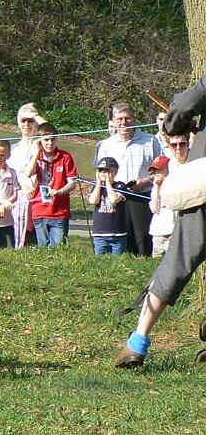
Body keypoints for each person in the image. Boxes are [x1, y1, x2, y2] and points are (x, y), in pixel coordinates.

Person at [114, 74, 206, 368]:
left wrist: (173, 125)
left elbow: (184, 103)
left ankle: (136, 344)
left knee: (176, 261)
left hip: (203, 187)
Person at [94, 103, 161, 256]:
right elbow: (99, 173)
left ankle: (144, 267)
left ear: (135, 119)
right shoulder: (105, 145)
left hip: (142, 195)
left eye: (128, 118)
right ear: (114, 121)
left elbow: (160, 171)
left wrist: (146, 181)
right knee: (121, 239)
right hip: (115, 198)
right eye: (120, 119)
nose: (124, 123)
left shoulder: (150, 141)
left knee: (143, 238)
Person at [25, 122, 78, 247]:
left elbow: (72, 183)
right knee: (43, 248)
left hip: (59, 211)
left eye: (53, 139)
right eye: (46, 140)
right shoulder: (37, 157)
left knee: (58, 248)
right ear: (39, 141)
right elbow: (28, 173)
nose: (50, 143)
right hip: (40, 209)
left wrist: (59, 191)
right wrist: (37, 152)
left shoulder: (65, 157)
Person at [7, 103, 46, 248]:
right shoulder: (13, 149)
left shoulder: (44, 145)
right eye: (23, 120)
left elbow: (51, 132)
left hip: (40, 198)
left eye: (31, 121)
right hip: (20, 198)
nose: (27, 124)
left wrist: (34, 115)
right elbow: (11, 174)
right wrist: (23, 185)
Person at [88, 157, 128, 256]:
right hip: (100, 234)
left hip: (117, 235)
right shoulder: (96, 187)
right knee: (99, 263)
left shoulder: (120, 186)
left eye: (106, 171)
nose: (102, 173)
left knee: (118, 265)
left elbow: (114, 200)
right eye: (100, 170)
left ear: (114, 172)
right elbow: (93, 201)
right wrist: (98, 184)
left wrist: (108, 184)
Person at [147, 155, 174, 258]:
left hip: (171, 230)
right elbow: (154, 208)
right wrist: (157, 187)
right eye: (154, 170)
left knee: (170, 258)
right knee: (157, 259)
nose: (156, 173)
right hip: (158, 230)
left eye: (159, 170)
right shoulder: (155, 188)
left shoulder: (173, 184)